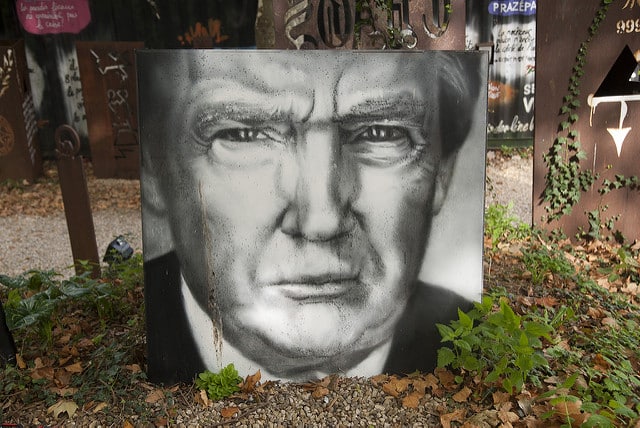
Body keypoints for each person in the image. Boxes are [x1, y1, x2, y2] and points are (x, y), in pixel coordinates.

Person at [137, 50, 485, 384]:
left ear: (442, 172)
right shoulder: (151, 328)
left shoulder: (470, 340)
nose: (322, 220)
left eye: (382, 133)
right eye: (244, 134)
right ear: (154, 168)